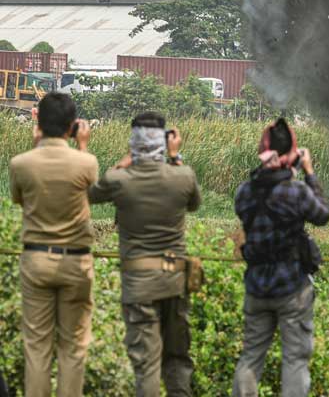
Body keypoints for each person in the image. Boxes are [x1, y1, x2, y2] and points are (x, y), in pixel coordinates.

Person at [88, 112, 200, 397]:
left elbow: (91, 194)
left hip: (139, 284)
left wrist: (122, 163)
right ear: (164, 143)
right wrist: (175, 158)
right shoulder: (183, 176)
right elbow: (195, 203)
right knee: (177, 359)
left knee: (147, 365)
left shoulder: (118, 180)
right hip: (175, 280)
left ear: (133, 143)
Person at [232, 118, 329, 397]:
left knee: (250, 356)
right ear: (292, 152)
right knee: (295, 359)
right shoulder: (296, 191)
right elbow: (322, 215)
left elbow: (256, 200)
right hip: (291, 286)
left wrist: (284, 171)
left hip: (256, 285)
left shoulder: (244, 192)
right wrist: (308, 173)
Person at [9, 92, 98, 397]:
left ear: (38, 123)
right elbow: (90, 193)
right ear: (72, 127)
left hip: (35, 261)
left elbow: (19, 199)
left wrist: (36, 146)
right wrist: (83, 146)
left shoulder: (20, 164)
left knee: (37, 346)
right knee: (73, 348)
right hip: (75, 262)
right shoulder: (87, 162)